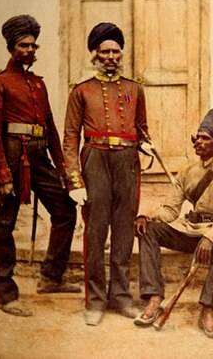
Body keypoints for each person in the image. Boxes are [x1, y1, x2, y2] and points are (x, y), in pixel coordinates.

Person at [0, 15, 80, 317]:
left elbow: (49, 125)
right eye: (23, 45)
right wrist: (2, 174)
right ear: (11, 47)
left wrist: (62, 167)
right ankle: (6, 294)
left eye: (33, 45)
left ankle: (50, 277)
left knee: (65, 209)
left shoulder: (37, 84)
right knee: (4, 224)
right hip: (12, 158)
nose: (30, 50)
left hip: (39, 159)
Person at [63, 22, 150, 326]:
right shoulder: (81, 91)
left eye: (116, 51)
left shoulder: (133, 89)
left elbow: (141, 128)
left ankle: (122, 297)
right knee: (96, 232)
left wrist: (146, 144)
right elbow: (70, 138)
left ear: (121, 54)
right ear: (95, 55)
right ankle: (95, 300)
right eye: (105, 52)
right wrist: (74, 179)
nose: (112, 57)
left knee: (125, 231)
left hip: (127, 162)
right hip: (95, 160)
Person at [133, 108, 213, 338]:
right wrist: (147, 216)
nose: (198, 142)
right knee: (148, 231)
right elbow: (170, 210)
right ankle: (154, 297)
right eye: (197, 137)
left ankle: (207, 309)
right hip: (190, 231)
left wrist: (211, 236)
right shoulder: (187, 172)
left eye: (205, 138)